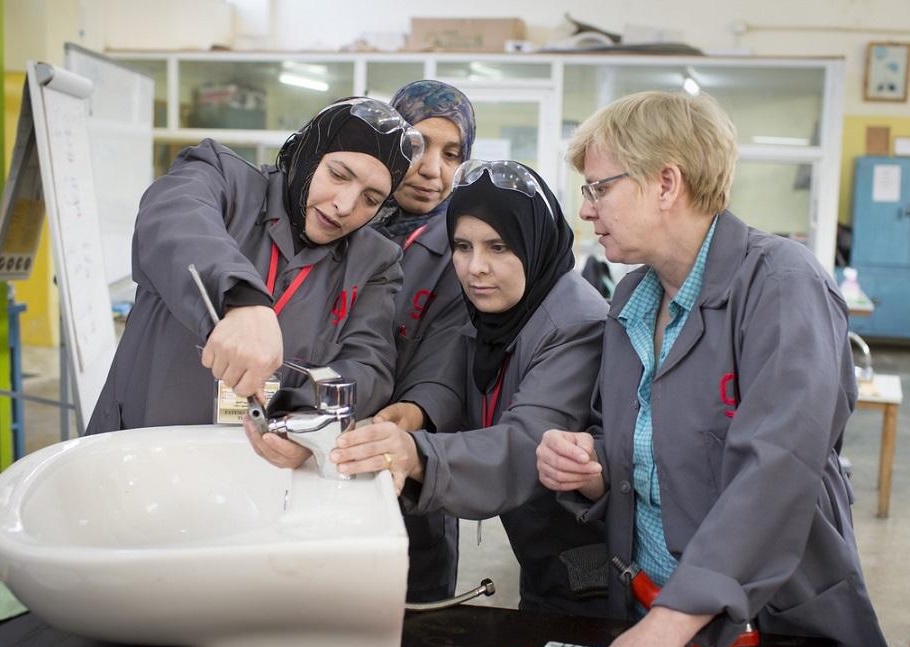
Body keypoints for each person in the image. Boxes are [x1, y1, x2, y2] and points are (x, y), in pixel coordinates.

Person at [535, 91, 886, 647]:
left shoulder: (780, 283)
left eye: (599, 188)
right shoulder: (631, 300)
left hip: (768, 625)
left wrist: (670, 623)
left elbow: (778, 466)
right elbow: (633, 436)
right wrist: (593, 468)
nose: (587, 210)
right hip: (648, 611)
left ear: (666, 184)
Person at [328, 160, 612, 616]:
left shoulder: (577, 324)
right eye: (462, 246)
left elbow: (526, 444)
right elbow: (456, 377)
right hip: (536, 549)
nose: (476, 267)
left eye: (498, 246)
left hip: (588, 561)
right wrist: (416, 411)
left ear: (534, 242)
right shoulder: (495, 310)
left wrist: (415, 453)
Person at [86, 97, 418, 434]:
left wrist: (300, 417)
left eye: (371, 199)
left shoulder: (374, 263)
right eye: (337, 175)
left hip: (260, 464)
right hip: (139, 448)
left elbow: (366, 365)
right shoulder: (223, 178)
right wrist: (242, 299)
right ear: (307, 153)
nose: (345, 205)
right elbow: (174, 216)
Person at [368, 80, 476, 603]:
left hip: (410, 465)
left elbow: (456, 355)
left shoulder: (465, 246)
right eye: (416, 145)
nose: (433, 169)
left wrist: (410, 415)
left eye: (451, 154)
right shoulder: (341, 219)